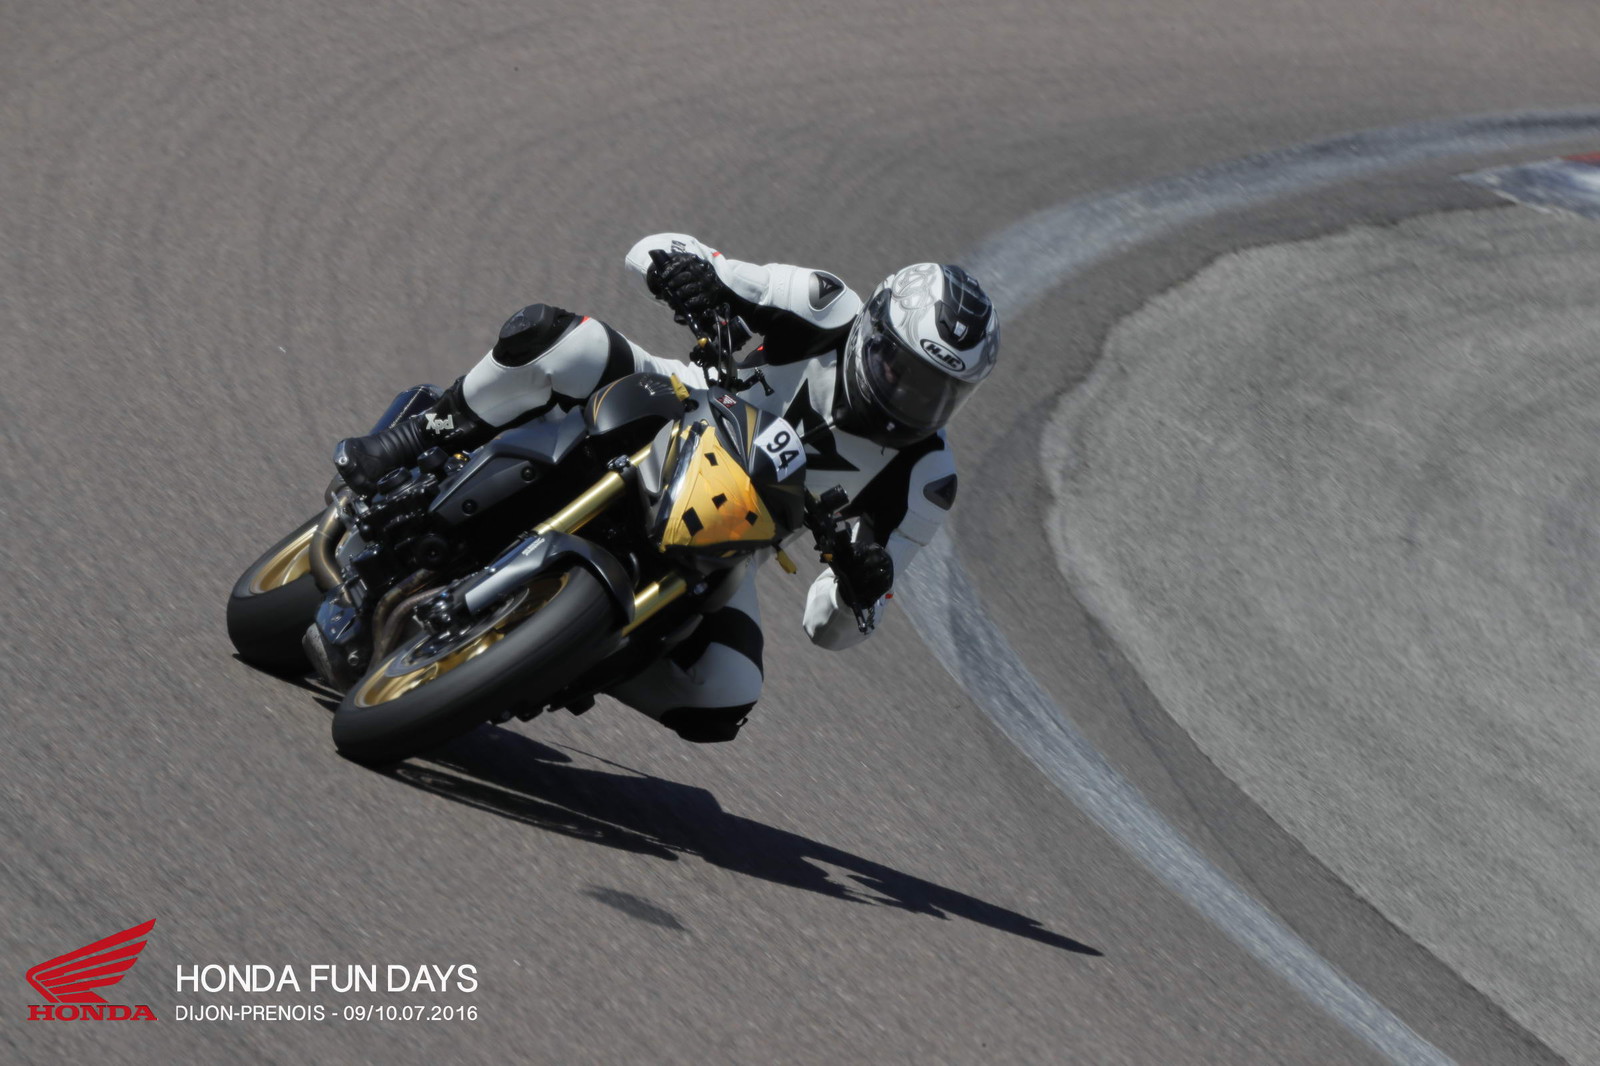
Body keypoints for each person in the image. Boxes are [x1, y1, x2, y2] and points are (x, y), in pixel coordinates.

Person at [334, 234, 1000, 742]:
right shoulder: (823, 306)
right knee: (558, 340)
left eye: (940, 392)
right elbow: (656, 248)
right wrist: (690, 276)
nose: (913, 398)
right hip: (678, 405)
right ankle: (419, 435)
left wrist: (861, 583)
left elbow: (833, 628)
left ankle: (549, 661)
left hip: (737, 538)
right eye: (903, 370)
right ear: (874, 331)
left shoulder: (926, 477)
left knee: (725, 693)